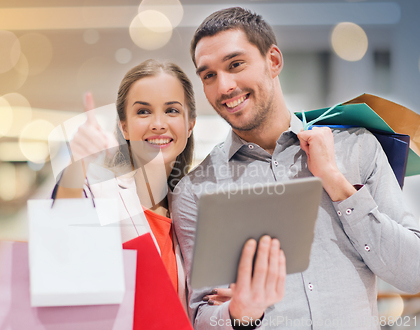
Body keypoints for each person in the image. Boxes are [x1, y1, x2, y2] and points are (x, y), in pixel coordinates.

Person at [171, 7, 420, 329]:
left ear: (273, 61)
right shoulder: (194, 190)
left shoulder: (358, 147)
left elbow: (412, 272)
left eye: (236, 64)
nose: (224, 87)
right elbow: (200, 317)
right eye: (209, 75)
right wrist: (241, 311)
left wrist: (335, 181)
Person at [55, 59, 197, 307]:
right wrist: (77, 165)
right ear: (125, 127)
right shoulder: (99, 195)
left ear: (190, 125)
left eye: (172, 110)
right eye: (143, 111)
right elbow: (61, 233)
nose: (158, 123)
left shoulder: (194, 206)